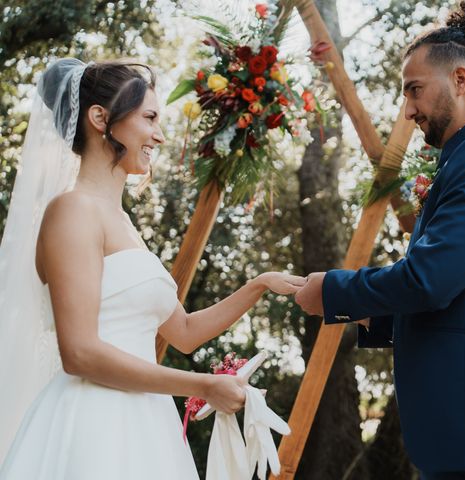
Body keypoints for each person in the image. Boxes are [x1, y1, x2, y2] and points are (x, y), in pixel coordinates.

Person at [295, 3, 465, 479]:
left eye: (415, 90)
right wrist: (369, 312)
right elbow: (459, 296)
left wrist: (334, 292)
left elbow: (428, 282)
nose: (409, 109)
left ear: (460, 79)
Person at [0, 58, 305, 478]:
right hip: (94, 424)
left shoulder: (123, 221)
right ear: (99, 119)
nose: (159, 135)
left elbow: (182, 332)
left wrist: (259, 285)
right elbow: (80, 353)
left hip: (148, 422)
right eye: (149, 118)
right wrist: (202, 386)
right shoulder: (72, 211)